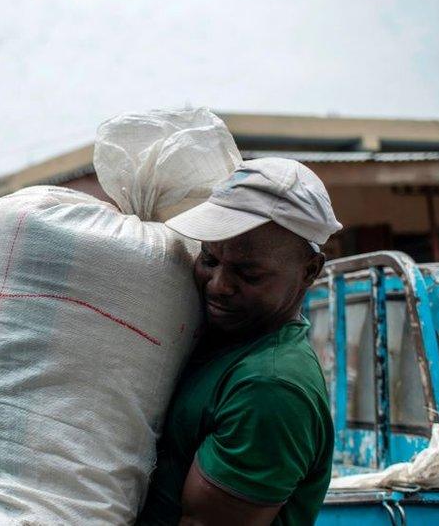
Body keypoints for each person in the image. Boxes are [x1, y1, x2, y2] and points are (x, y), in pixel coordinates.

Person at [138, 158, 343, 526]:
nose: (218, 284)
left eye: (247, 273)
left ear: (309, 271)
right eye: (210, 259)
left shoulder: (269, 387)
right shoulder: (221, 342)